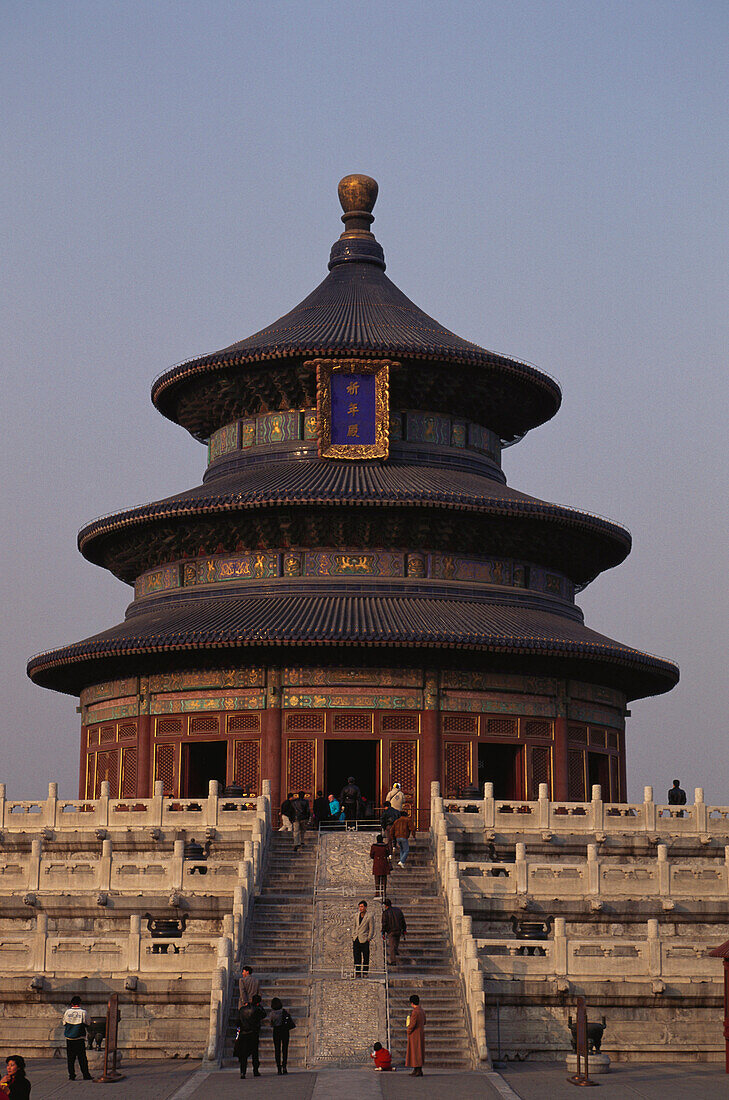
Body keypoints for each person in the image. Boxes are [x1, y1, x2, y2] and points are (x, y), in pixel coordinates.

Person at [235, 993, 267, 1078]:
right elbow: (264, 1015)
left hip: (243, 1033)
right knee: (254, 1053)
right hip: (253, 1033)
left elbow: (237, 1022)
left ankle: (243, 1072)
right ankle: (255, 1070)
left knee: (243, 1054)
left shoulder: (242, 1009)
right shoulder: (257, 1009)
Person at [62, 994, 92, 1081]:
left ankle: (72, 1075)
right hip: (79, 1038)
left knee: (70, 1059)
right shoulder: (83, 1012)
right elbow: (88, 1023)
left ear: (71, 1003)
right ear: (79, 1003)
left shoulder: (67, 1012)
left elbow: (64, 1023)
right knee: (82, 1058)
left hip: (69, 1038)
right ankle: (86, 1075)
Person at [351, 899, 374, 976]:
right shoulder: (356, 915)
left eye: (362, 906)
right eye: (359, 907)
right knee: (356, 956)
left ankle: (365, 972)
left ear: (365, 907)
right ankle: (357, 972)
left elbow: (371, 928)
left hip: (364, 939)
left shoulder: (369, 916)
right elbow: (354, 926)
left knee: (366, 956)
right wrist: (353, 935)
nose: (360, 908)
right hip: (356, 938)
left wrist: (369, 938)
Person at [269, 996, 292, 1075]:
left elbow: (271, 1024)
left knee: (277, 1049)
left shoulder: (272, 1013)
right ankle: (284, 1066)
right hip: (285, 1031)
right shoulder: (284, 1011)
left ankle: (279, 1067)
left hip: (276, 1031)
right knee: (285, 1049)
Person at [381, 897, 407, 966]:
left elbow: (384, 923)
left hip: (391, 931)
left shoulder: (385, 913)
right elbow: (403, 920)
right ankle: (395, 952)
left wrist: (383, 932)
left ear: (385, 905)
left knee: (392, 946)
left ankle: (393, 961)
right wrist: (404, 929)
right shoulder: (398, 910)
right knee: (396, 942)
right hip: (398, 930)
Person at [405, 993, 426, 1076]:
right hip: (420, 1033)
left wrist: (408, 1030)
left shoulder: (415, 1012)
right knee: (419, 1051)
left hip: (414, 1034)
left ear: (412, 1003)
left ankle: (416, 1069)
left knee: (415, 1052)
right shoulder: (422, 1011)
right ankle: (418, 1069)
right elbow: (424, 1021)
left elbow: (412, 1024)